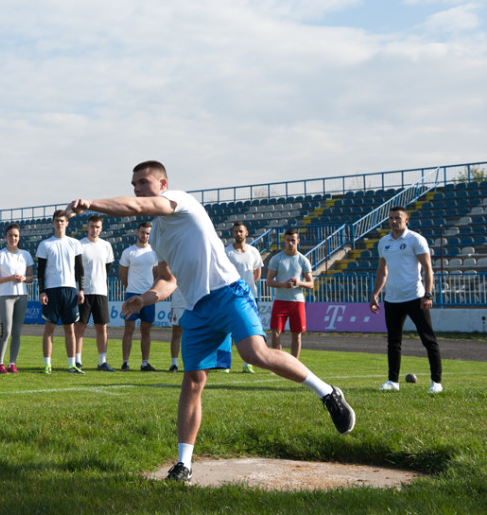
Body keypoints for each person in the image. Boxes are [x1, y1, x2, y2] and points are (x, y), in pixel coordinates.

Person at [66, 160, 355, 483]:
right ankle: (183, 464)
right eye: (134, 184)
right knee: (192, 381)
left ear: (163, 185)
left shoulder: (181, 202)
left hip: (229, 292)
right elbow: (169, 280)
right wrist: (145, 298)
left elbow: (137, 206)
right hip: (197, 308)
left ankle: (328, 393)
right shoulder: (159, 235)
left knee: (254, 354)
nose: (137, 189)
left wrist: (92, 204)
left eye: (143, 182)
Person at [370, 206, 442, 393]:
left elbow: (428, 269)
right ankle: (392, 381)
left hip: (415, 298)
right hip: (392, 300)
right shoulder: (384, 242)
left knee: (428, 340)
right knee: (393, 342)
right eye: (391, 218)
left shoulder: (415, 239)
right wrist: (375, 294)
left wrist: (428, 294)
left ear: (406, 220)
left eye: (398, 218)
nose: (394, 221)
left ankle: (436, 382)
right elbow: (382, 271)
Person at [36, 210, 85, 374]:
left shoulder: (74, 243)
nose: (59, 223)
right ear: (53, 223)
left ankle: (72, 364)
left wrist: (81, 289)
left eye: (62, 221)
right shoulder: (45, 244)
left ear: (67, 223)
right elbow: (40, 271)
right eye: (57, 221)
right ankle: (47, 364)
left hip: (70, 290)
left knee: (70, 329)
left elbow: (79, 269)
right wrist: (42, 291)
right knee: (49, 328)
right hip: (51, 291)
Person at [0, 223, 34, 374]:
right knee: (6, 330)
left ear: (19, 237)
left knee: (17, 332)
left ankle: (12, 363)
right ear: (5, 237)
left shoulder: (25, 255)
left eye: (15, 236)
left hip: (22, 295)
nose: (13, 238)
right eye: (10, 235)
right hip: (5, 295)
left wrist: (24, 278)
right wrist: (9, 278)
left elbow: (31, 277)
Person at [76, 215, 116, 371]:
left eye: (98, 226)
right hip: (84, 292)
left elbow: (107, 267)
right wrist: (80, 288)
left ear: (101, 228)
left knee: (102, 328)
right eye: (92, 226)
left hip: (100, 291)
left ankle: (102, 362)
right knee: (80, 327)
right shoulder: (80, 245)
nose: (95, 229)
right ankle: (77, 361)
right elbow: (77, 270)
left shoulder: (106, 246)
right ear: (87, 226)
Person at [266, 228, 313, 360]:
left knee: (296, 334)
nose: (290, 243)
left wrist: (299, 283)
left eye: (293, 240)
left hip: (297, 301)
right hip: (280, 300)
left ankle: (294, 363)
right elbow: (269, 281)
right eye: (288, 240)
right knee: (275, 333)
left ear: (298, 241)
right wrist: (283, 284)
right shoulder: (277, 259)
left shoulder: (303, 260)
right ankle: (278, 363)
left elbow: (311, 283)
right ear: (284, 241)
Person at [118, 221, 159, 371]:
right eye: (142, 232)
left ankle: (145, 363)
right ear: (137, 233)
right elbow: (122, 273)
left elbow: (156, 274)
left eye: (148, 233)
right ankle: (125, 362)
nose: (145, 235)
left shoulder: (153, 253)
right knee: (128, 329)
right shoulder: (128, 252)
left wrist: (150, 290)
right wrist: (130, 288)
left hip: (148, 296)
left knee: (146, 330)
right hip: (132, 294)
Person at [225, 221, 264, 373]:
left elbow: (257, 272)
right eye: (236, 231)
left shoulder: (254, 252)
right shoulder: (227, 252)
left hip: (250, 297)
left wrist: (247, 287)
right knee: (228, 331)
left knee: (249, 330)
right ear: (233, 233)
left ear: (246, 233)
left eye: (241, 231)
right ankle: (225, 364)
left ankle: (248, 364)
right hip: (231, 296)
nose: (238, 234)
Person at [166, 286, 187, 372]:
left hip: (193, 302)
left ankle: (194, 364)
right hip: (178, 303)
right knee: (176, 333)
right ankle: (174, 364)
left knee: (195, 333)